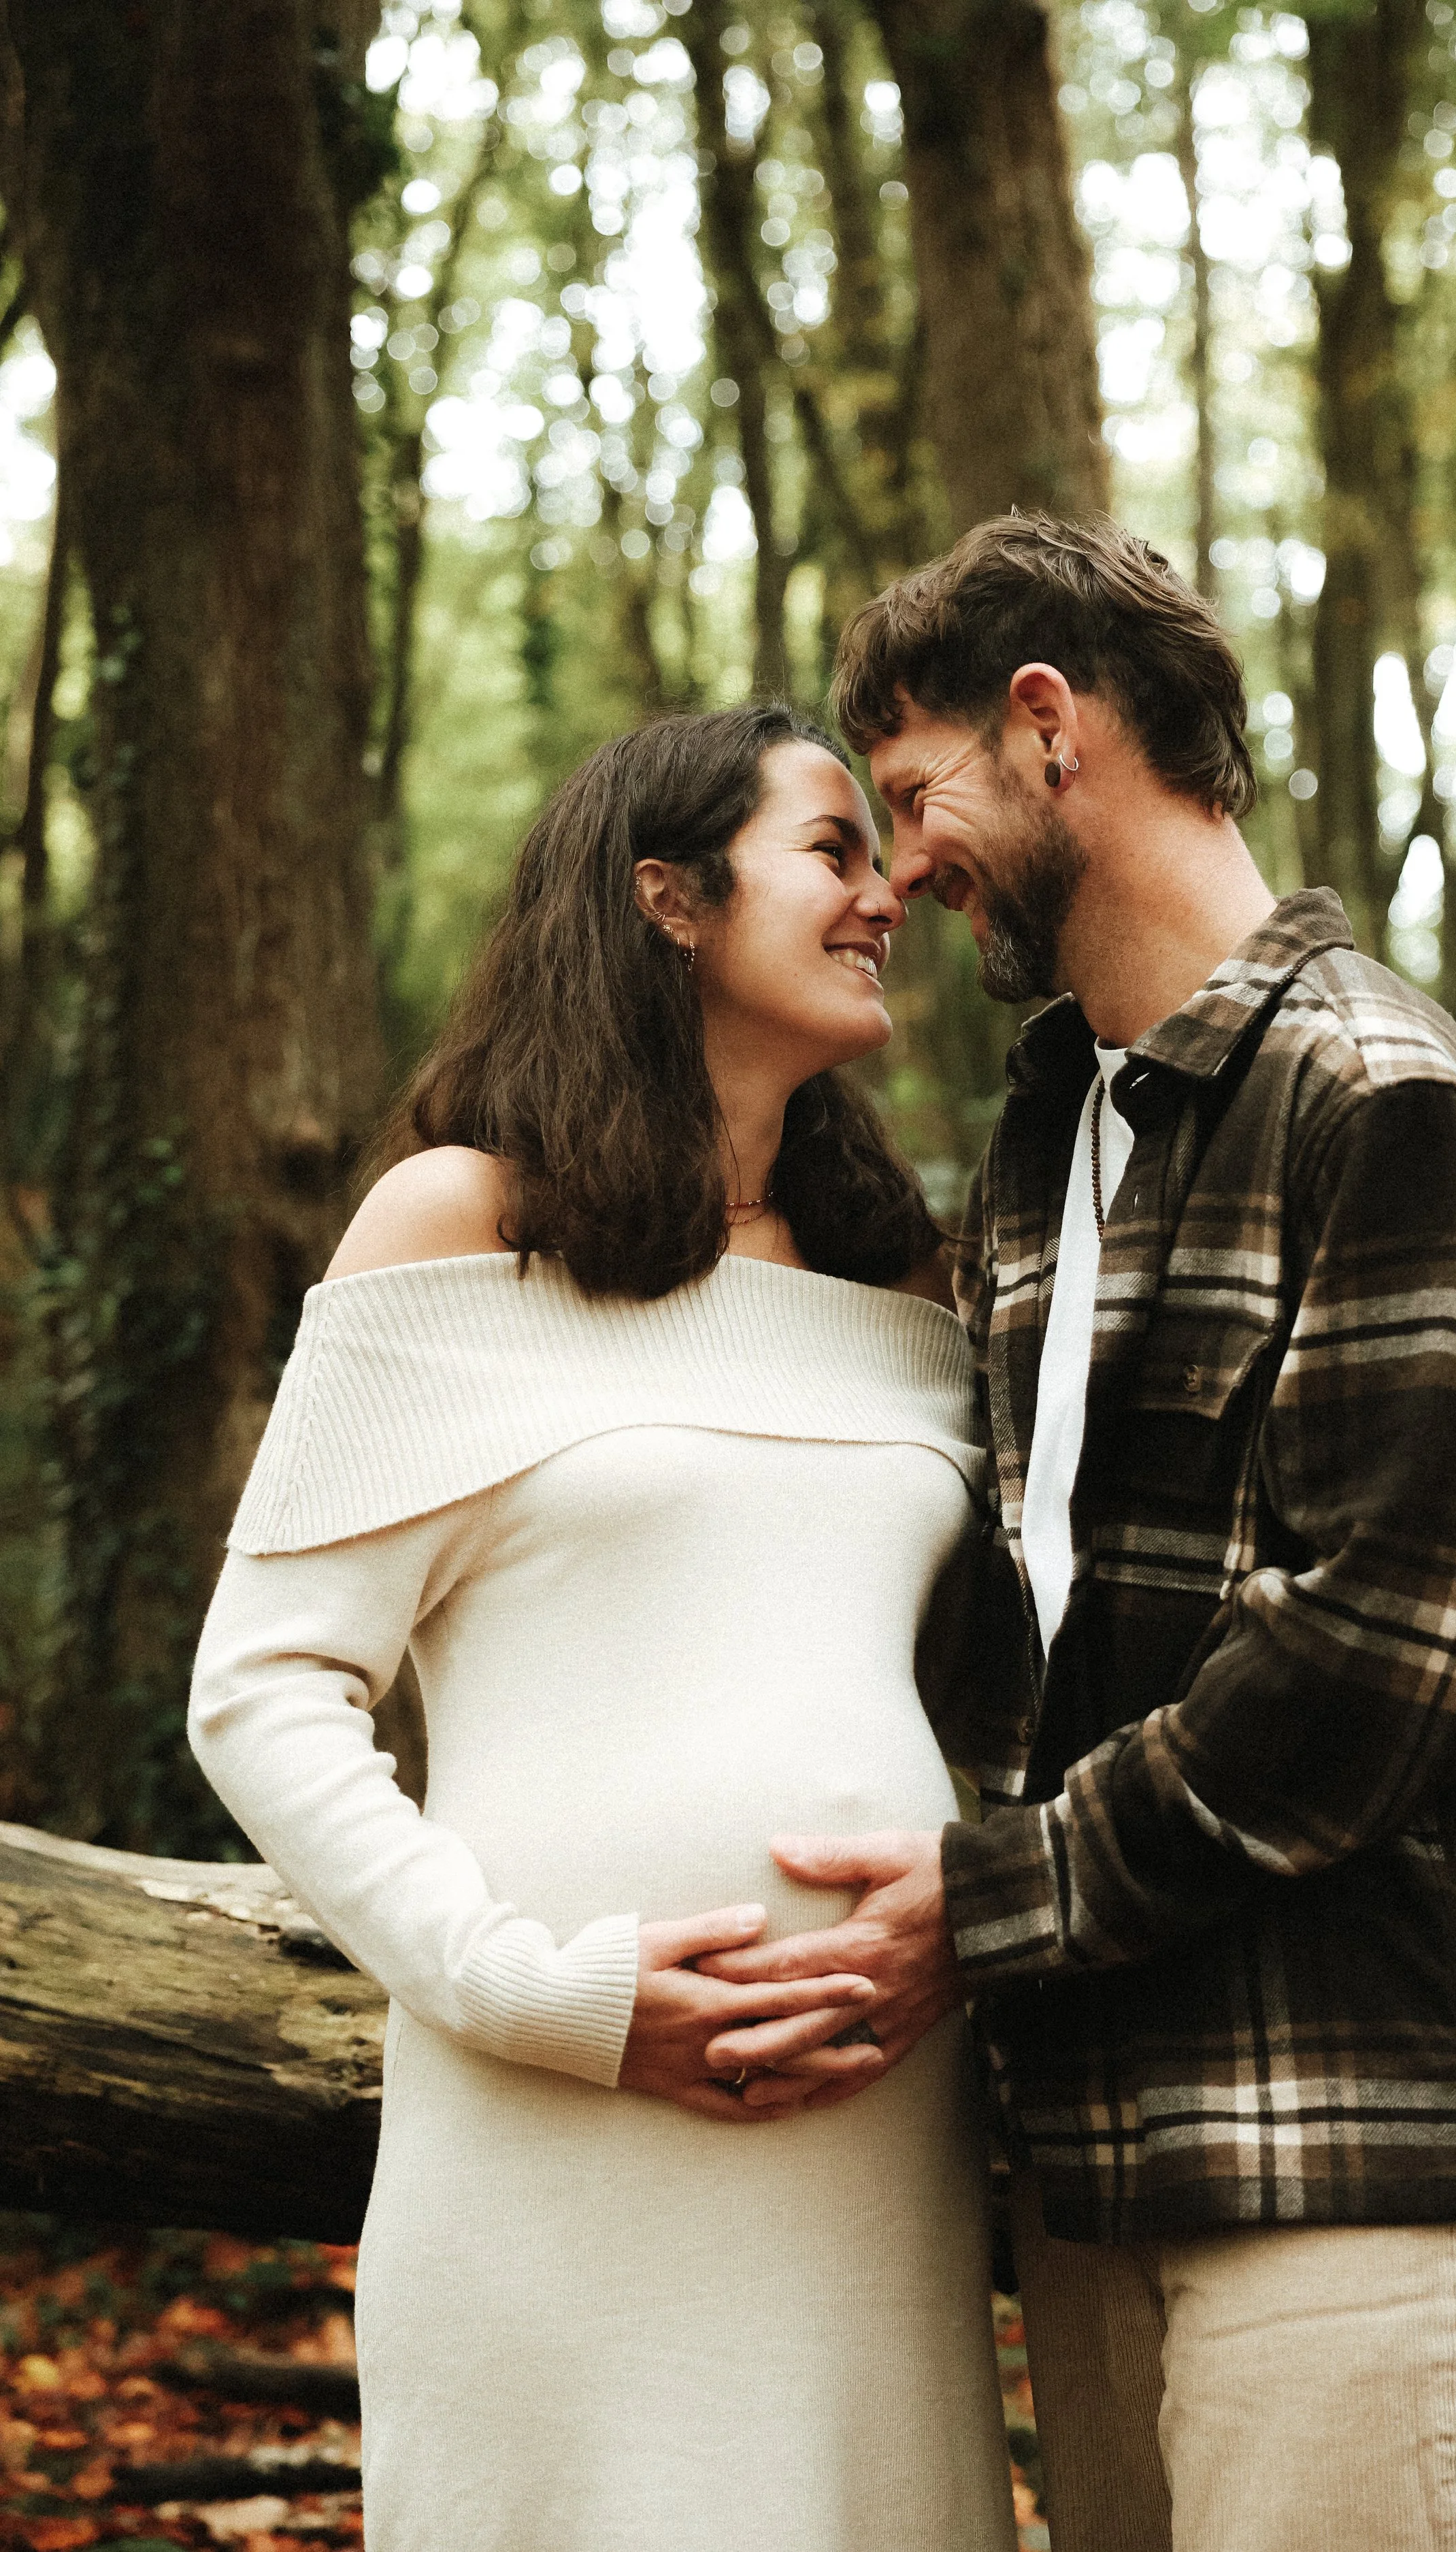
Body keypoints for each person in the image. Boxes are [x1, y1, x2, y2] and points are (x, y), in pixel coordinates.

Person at [693, 516, 1456, 2552]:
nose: (905, 867)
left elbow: (1379, 1642)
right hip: (1089, 2136)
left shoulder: (1374, 1095)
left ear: (1050, 729)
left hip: (1341, 2124)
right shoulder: (1049, 1140)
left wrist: (987, 1899)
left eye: (916, 795)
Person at [186, 703, 1019, 2552]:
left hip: (867, 2120)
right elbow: (260, 1690)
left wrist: (961, 1909)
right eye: (830, 846)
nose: (884, 893)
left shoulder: (895, 1274)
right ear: (665, 894)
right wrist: (528, 1987)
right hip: (548, 2110)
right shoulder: (454, 1222)